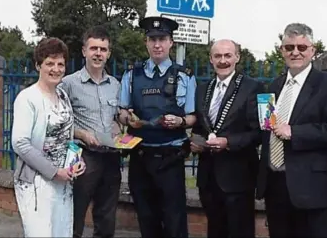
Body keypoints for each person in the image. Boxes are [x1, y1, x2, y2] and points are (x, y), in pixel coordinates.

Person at [255, 23, 327, 237]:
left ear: (312, 51)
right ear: (282, 51)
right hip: (276, 185)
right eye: (289, 47)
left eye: (301, 47)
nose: (295, 52)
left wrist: (295, 132)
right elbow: (266, 129)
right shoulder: (274, 86)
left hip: (313, 187)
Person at [117, 16, 197, 238]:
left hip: (170, 157)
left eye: (162, 39)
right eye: (152, 39)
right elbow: (123, 110)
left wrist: (180, 121)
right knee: (146, 218)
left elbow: (192, 117)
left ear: (171, 42)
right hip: (141, 157)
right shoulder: (132, 75)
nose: (157, 44)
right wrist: (127, 119)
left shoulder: (184, 76)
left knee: (174, 220)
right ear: (146, 42)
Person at [12, 37, 85, 237]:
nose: (56, 69)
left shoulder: (62, 96)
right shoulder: (28, 98)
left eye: (60, 64)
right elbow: (20, 144)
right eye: (49, 63)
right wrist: (54, 172)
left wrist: (77, 161)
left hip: (63, 183)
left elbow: (66, 137)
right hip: (36, 184)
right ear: (38, 65)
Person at [190, 39, 263, 238]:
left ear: (237, 58)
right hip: (208, 177)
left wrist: (228, 142)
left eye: (227, 55)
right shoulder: (202, 89)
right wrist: (195, 142)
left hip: (238, 177)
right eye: (218, 56)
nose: (223, 61)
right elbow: (200, 126)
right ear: (211, 59)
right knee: (215, 230)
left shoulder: (253, 87)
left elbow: (259, 132)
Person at [59, 26, 122, 238]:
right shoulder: (68, 84)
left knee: (107, 217)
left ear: (109, 53)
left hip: (111, 157)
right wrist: (82, 134)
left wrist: (120, 126)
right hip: (83, 156)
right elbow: (60, 121)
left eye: (103, 49)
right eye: (93, 48)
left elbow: (116, 118)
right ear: (84, 51)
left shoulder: (115, 85)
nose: (98, 53)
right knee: (75, 213)